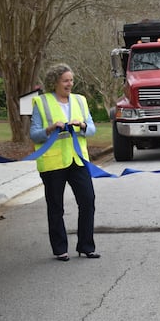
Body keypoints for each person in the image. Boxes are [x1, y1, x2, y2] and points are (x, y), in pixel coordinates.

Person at [30, 63, 100, 262]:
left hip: (77, 160)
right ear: (55, 82)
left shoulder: (80, 101)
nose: (70, 84)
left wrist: (83, 125)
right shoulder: (41, 103)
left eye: (71, 80)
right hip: (53, 164)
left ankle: (86, 246)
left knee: (88, 201)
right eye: (66, 80)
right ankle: (60, 249)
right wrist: (50, 128)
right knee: (55, 207)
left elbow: (92, 129)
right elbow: (34, 135)